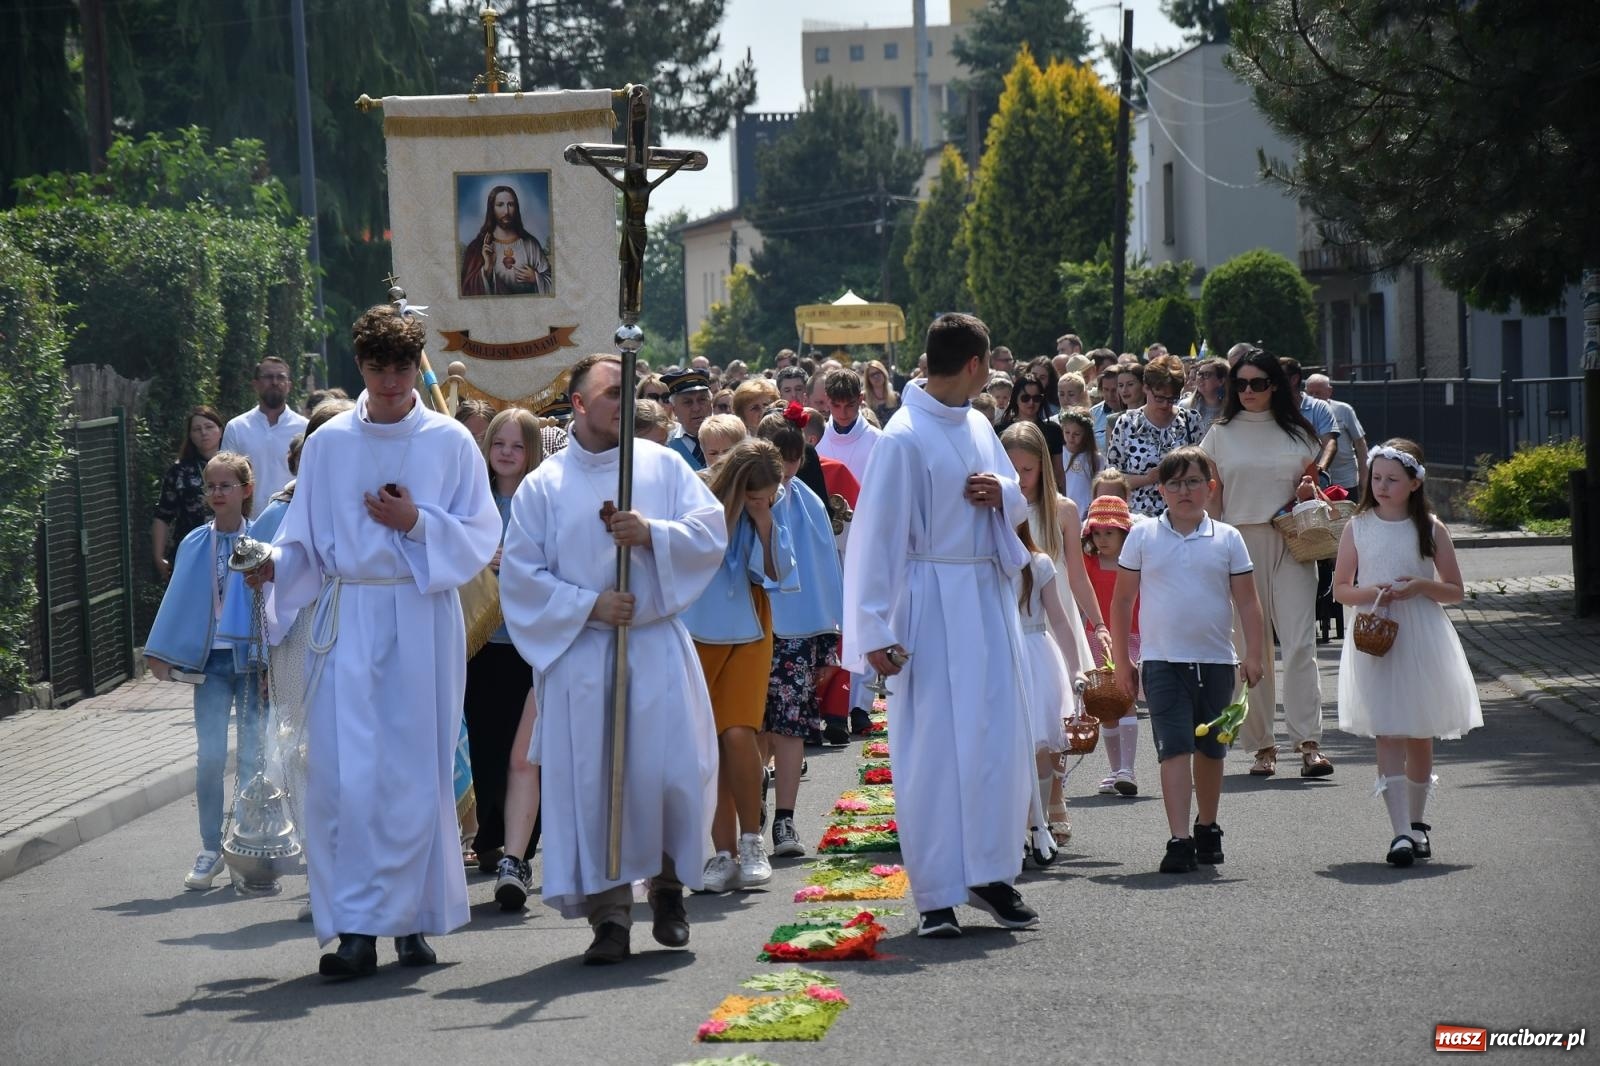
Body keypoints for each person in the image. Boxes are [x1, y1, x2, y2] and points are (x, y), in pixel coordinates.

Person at [252, 305, 501, 978]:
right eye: (375, 368)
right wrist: (271, 567)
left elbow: (481, 533)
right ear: (358, 367)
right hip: (351, 610)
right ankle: (356, 927)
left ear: (414, 366)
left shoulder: (449, 440)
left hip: (421, 610)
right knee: (345, 774)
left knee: (416, 770)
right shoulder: (328, 443)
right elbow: (300, 538)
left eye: (399, 368)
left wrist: (416, 521)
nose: (389, 382)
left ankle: (414, 921)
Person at [499, 353, 727, 965]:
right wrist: (589, 606)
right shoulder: (543, 487)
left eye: (628, 392)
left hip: (653, 647)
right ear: (577, 405)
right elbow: (520, 578)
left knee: (669, 774)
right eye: (609, 394)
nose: (622, 403)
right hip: (582, 657)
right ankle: (610, 916)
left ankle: (671, 889)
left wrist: (652, 534)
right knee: (596, 784)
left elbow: (710, 532)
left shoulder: (661, 466)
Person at [844, 311, 1041, 939]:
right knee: (932, 748)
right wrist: (874, 630)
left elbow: (1015, 496)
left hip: (983, 596)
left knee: (994, 739)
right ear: (977, 367)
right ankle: (934, 894)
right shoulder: (902, 437)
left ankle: (988, 873)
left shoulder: (980, 423)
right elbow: (875, 539)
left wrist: (1000, 494)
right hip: (928, 598)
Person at [1111, 446, 1266, 874]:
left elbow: (1249, 603)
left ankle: (1208, 826)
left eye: (1194, 481)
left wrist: (1254, 654)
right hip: (1162, 663)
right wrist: (1123, 662)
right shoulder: (1142, 535)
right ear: (1160, 489)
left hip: (1217, 662)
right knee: (1173, 749)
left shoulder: (1228, 538)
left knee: (1212, 751)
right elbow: (1123, 601)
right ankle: (1179, 838)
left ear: (1210, 488)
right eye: (1175, 483)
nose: (1184, 491)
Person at [1333, 439, 1480, 867]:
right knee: (1388, 729)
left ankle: (1417, 824)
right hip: (1377, 635)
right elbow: (1341, 587)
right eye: (1376, 478)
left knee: (1419, 731)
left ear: (1414, 483)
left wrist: (1419, 587)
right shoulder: (1357, 526)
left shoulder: (1430, 528)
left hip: (1421, 634)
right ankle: (1398, 831)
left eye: (1392, 479)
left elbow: (1455, 590)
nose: (1381, 486)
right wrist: (1371, 592)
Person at [1199, 349, 1329, 779]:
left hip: (1293, 540)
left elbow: (1311, 488)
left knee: (1299, 643)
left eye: (1257, 383)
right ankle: (1262, 746)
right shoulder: (1218, 434)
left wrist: (1310, 490)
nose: (1248, 391)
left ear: (1275, 384)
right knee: (1251, 650)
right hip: (1238, 543)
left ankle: (1307, 742)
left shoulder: (1299, 433)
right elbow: (1211, 498)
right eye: (1239, 384)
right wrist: (1209, 547)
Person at [144, 451, 266, 892]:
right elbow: (178, 597)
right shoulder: (196, 541)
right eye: (210, 486)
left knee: (254, 756)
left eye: (225, 486)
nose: (216, 493)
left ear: (246, 490)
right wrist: (162, 651)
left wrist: (275, 661)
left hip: (252, 661)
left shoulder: (264, 538)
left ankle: (250, 847)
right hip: (211, 664)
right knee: (210, 756)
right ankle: (210, 847)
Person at [684, 440, 795, 892]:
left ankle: (752, 843)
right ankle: (722, 854)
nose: (764, 500)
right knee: (707, 745)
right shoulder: (694, 490)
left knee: (737, 733)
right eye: (755, 496)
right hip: (697, 630)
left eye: (769, 494)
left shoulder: (771, 500)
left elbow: (777, 572)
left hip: (749, 628)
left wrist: (764, 520)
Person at [1002, 420, 1108, 840]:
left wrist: (1098, 623)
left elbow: (1078, 576)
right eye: (1011, 469)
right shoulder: (999, 509)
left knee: (1057, 715)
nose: (1020, 480)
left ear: (1043, 467)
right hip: (1021, 620)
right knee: (1029, 720)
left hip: (1056, 617)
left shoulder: (1062, 509)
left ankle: (1055, 797)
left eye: (1027, 470)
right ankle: (1031, 808)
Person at [462, 408, 544, 904]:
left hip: (530, 644)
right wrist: (478, 554)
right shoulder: (475, 503)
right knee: (487, 746)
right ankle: (490, 837)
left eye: (517, 445)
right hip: (480, 641)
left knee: (526, 752)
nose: (507, 453)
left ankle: (521, 849)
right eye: (499, 444)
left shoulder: (540, 502)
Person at [757, 409, 843, 852]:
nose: (787, 468)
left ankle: (785, 820)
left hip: (795, 635)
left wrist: (829, 640)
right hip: (748, 628)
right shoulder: (744, 498)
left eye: (794, 458)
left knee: (790, 726)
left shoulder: (808, 502)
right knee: (750, 726)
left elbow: (826, 570)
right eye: (779, 457)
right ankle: (753, 806)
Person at [1081, 495, 1140, 795]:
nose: (1102, 539)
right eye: (1097, 533)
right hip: (1097, 638)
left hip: (1130, 637)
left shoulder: (1135, 562)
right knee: (1106, 706)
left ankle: (1127, 768)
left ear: (1124, 533)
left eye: (1110, 532)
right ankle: (1116, 769)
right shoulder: (1088, 563)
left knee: (1125, 700)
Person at [1107, 359, 1202, 518]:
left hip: (1184, 517)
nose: (1165, 405)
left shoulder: (1190, 420)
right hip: (1140, 519)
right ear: (1145, 388)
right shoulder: (1127, 423)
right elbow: (1112, 479)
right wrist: (1147, 479)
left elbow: (1203, 471)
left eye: (1171, 399)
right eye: (1159, 398)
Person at [152, 406, 226, 582]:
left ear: (221, 430)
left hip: (229, 551)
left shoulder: (235, 468)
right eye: (197, 429)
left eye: (209, 427)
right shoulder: (180, 471)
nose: (203, 433)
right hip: (190, 553)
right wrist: (158, 556)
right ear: (190, 436)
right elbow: (163, 515)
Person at [221, 356, 308, 505]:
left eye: (280, 377)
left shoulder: (306, 428)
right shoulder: (237, 427)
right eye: (268, 377)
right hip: (249, 522)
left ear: (289, 385)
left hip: (292, 519)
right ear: (255, 384)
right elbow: (225, 478)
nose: (274, 382)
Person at [460, 184, 552, 296]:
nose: (506, 211)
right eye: (500, 205)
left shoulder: (531, 244)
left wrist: (536, 278)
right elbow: (466, 290)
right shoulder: (478, 246)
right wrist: (487, 268)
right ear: (492, 209)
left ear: (516, 208)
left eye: (511, 205)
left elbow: (553, 282)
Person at [816, 367, 882, 487]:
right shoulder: (817, 439)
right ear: (827, 399)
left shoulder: (878, 440)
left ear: (860, 399)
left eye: (849, 405)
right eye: (836, 405)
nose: (843, 413)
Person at [998, 373, 1066, 489]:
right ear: (1015, 399)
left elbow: (1058, 471)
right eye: (1025, 398)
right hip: (1010, 491)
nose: (1031, 403)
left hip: (1043, 494)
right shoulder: (1000, 429)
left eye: (1036, 398)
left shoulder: (1053, 430)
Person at [663, 368, 714, 470]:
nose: (696, 408)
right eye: (687, 402)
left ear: (711, 404)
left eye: (702, 400)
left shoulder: (730, 438)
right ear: (674, 410)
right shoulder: (666, 446)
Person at [1059, 407, 1105, 516]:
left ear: (1086, 434)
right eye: (1067, 432)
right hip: (1063, 509)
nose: (1071, 437)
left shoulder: (1095, 458)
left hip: (1086, 512)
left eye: (1077, 434)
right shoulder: (1059, 454)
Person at [1182, 357, 1229, 437]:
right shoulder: (1185, 406)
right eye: (1199, 374)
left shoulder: (1230, 410)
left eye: (1206, 375)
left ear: (1221, 381)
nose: (1200, 379)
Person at [863, 359, 901, 426]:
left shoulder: (896, 397)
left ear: (884, 373)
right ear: (868, 379)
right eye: (872, 375)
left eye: (878, 372)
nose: (876, 376)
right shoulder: (863, 398)